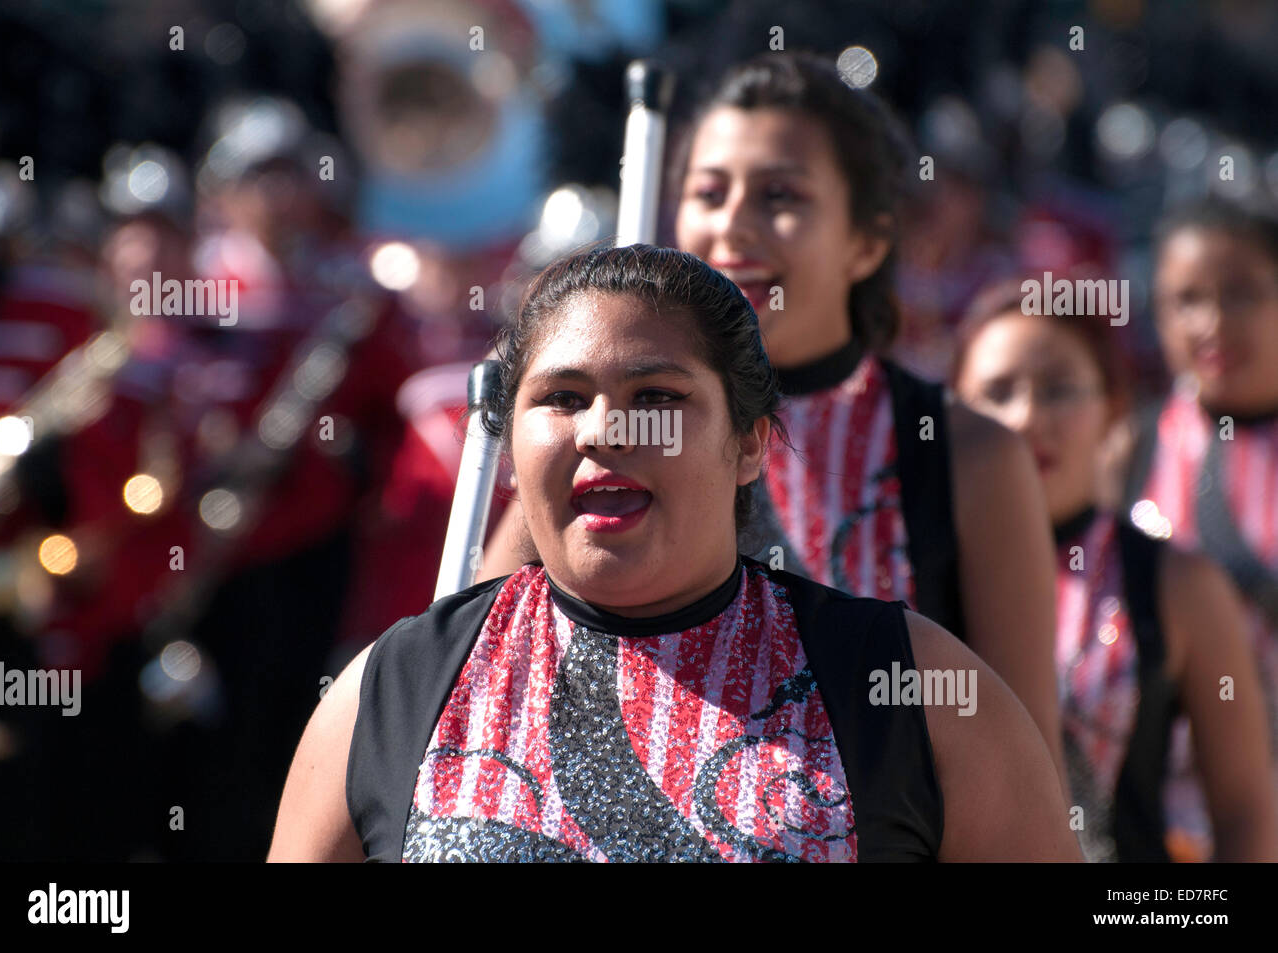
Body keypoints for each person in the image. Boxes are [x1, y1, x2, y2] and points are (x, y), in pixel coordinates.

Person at [268, 244, 1079, 862]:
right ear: (508, 440)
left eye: (658, 396)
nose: (604, 431)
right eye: (561, 398)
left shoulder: (906, 683)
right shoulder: (390, 691)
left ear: (751, 443)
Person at [480, 51, 1065, 781]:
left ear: (867, 242)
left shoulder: (965, 452)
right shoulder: (602, 427)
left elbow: (1025, 766)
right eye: (709, 192)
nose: (733, 228)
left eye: (780, 196)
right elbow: (479, 668)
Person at [952, 279, 1278, 862]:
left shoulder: (1178, 584)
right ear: (953, 414)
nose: (1027, 417)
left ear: (1114, 408)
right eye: (997, 393)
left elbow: (1246, 809)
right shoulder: (901, 575)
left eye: (1058, 390)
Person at [1122, 198, 1278, 860]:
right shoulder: (1127, 449)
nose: (1212, 321)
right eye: (1186, 298)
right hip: (1175, 828)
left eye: (1242, 294)